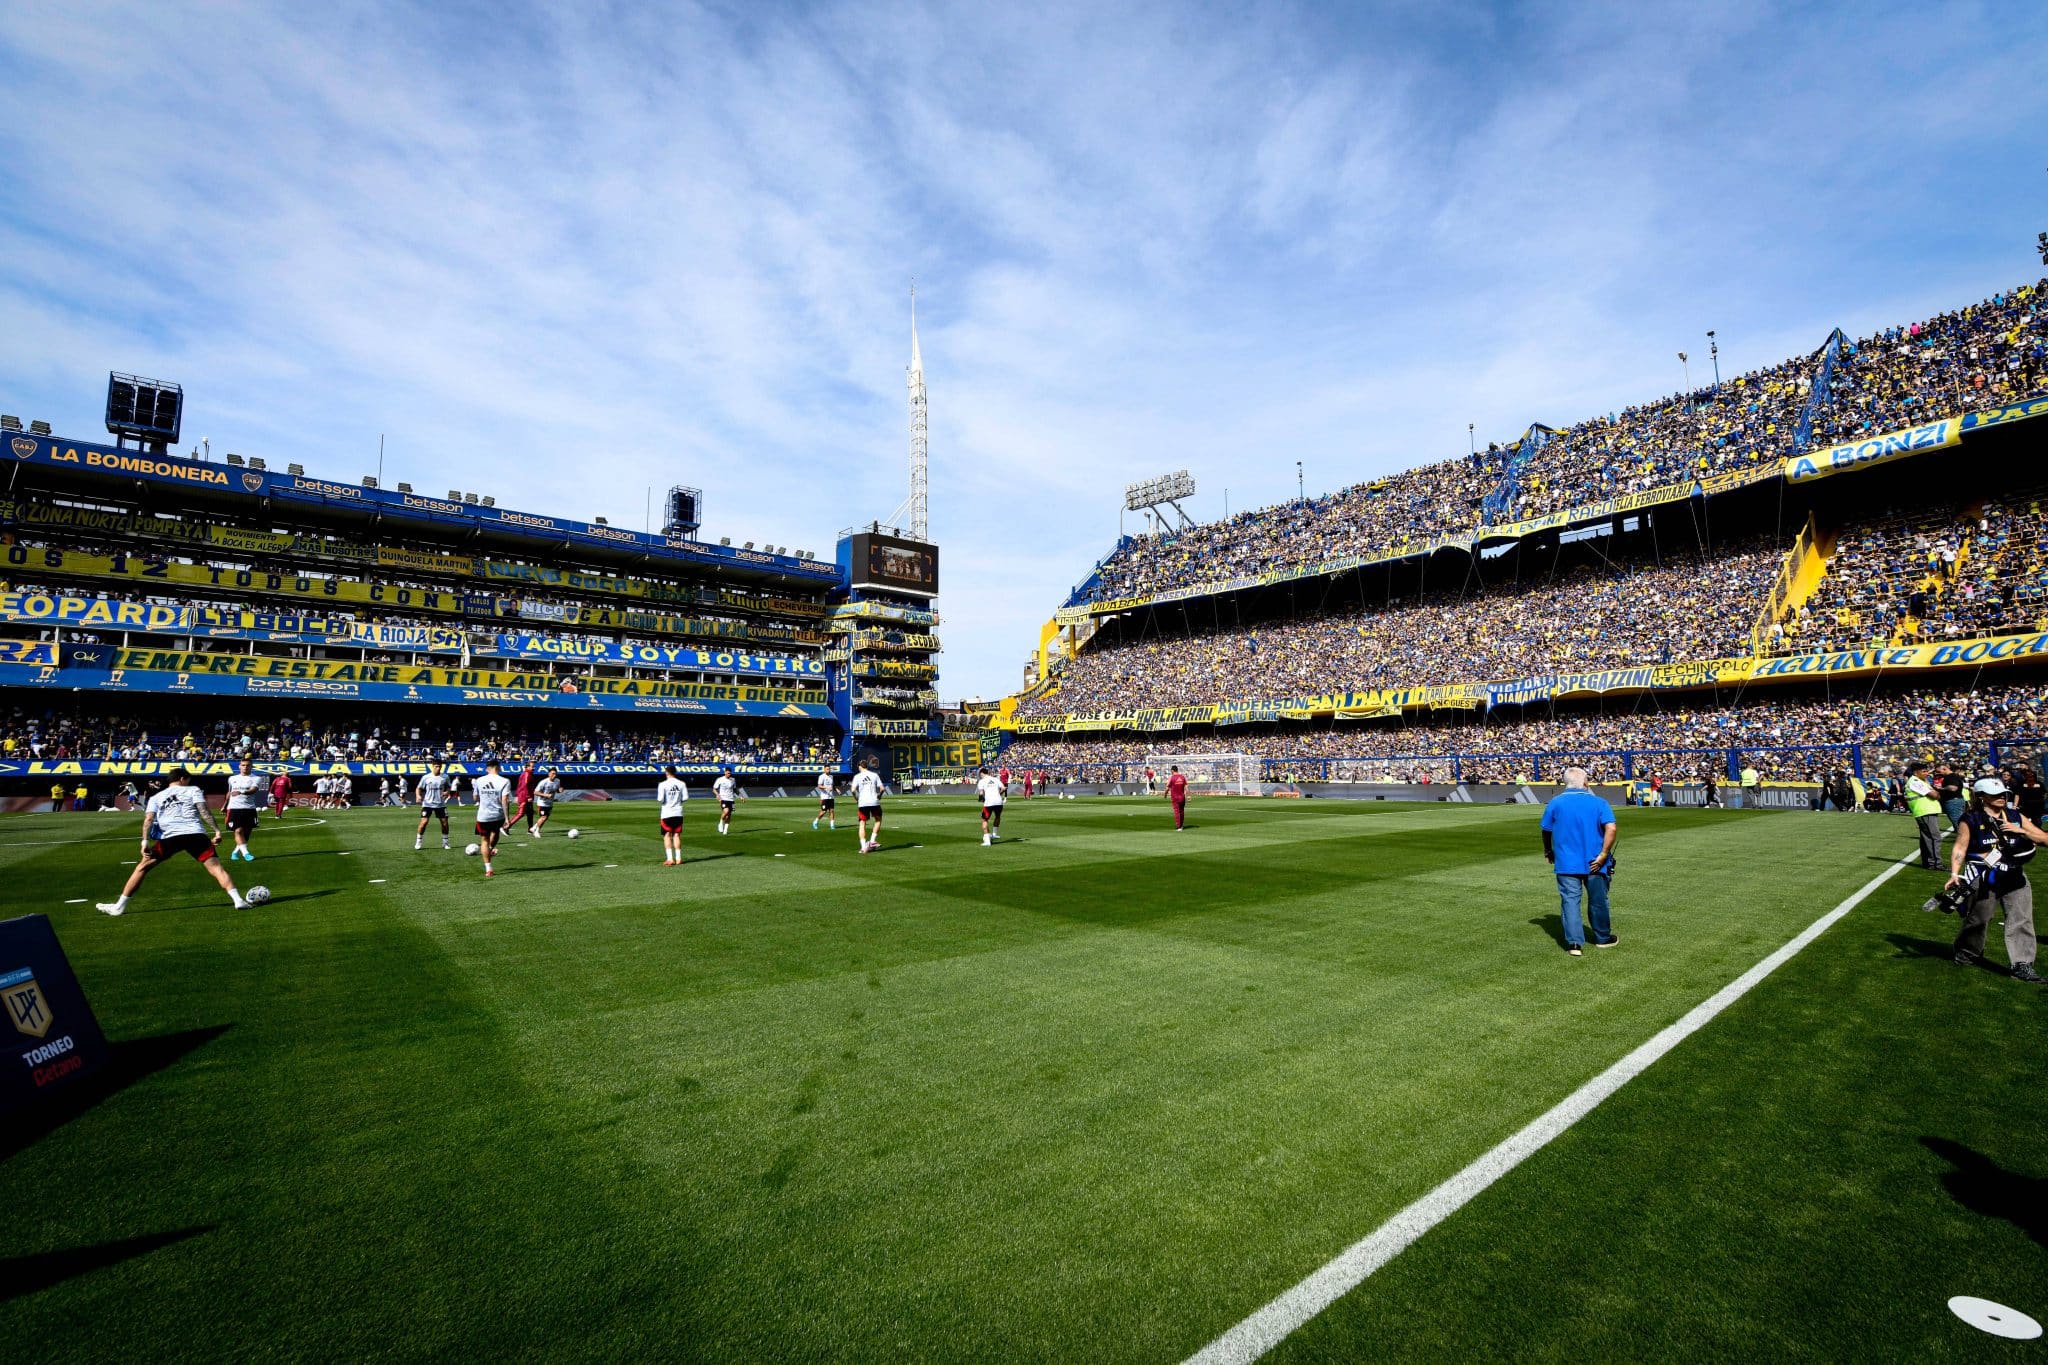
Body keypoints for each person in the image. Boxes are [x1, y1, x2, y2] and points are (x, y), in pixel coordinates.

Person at [97, 767, 246, 915]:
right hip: (195, 834)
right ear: (182, 779)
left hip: (171, 837)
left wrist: (144, 842)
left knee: (142, 867)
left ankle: (119, 907)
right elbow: (204, 811)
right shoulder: (193, 790)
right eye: (187, 780)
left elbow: (149, 819)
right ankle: (238, 900)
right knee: (216, 868)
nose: (188, 783)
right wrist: (217, 831)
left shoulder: (156, 797)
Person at [1944, 777, 2047, 983]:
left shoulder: (2015, 816)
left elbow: (2044, 838)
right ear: (1981, 797)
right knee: (1978, 919)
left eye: (2003, 794)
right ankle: (1968, 950)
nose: (2001, 798)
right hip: (1983, 877)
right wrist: (1955, 873)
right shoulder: (1971, 819)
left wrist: (2022, 831)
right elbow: (1960, 847)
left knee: (2021, 918)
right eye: (1995, 794)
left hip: (2014, 876)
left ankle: (2022, 964)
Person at [1540, 766, 1619, 957]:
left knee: (1570, 902)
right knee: (1598, 900)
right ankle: (1602, 938)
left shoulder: (1555, 803)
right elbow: (1612, 828)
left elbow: (1545, 829)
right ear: (1585, 782)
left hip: (1566, 861)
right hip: (1595, 861)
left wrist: (1548, 850)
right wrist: (1603, 855)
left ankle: (1574, 944)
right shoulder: (1599, 802)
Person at [472, 758, 513, 878]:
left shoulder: (479, 780)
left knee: (484, 840)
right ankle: (490, 849)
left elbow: (475, 797)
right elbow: (505, 800)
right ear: (498, 767)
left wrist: (485, 800)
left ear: (487, 769)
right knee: (495, 833)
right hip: (498, 814)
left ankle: (488, 869)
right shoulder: (505, 781)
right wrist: (507, 818)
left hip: (483, 815)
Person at [224, 757, 265, 862]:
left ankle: (235, 852)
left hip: (249, 808)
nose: (245, 767)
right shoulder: (232, 778)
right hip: (234, 808)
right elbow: (229, 792)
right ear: (239, 766)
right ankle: (246, 854)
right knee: (238, 831)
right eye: (243, 765)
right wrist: (225, 805)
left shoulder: (256, 778)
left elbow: (253, 790)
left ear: (251, 766)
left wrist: (241, 792)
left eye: (247, 765)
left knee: (246, 833)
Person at [1905, 761, 1943, 869]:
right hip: (1925, 811)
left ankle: (1928, 862)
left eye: (1927, 771)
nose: (1927, 773)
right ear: (1916, 773)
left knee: (1927, 838)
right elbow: (1934, 795)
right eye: (1924, 771)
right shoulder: (1916, 782)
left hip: (1924, 811)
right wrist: (1934, 791)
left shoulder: (1919, 781)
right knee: (1934, 838)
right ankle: (1936, 863)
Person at [415, 759, 453, 851]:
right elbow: (418, 788)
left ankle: (445, 843)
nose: (438, 768)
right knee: (423, 823)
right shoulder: (426, 777)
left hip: (440, 804)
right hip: (427, 803)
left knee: (444, 823)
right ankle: (419, 841)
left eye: (440, 766)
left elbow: (449, 787)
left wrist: (447, 792)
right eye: (436, 766)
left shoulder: (445, 777)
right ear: (432, 766)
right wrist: (418, 796)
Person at [657, 765, 689, 866]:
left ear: (666, 773)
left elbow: (660, 799)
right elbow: (685, 798)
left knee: (667, 835)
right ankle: (679, 858)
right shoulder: (681, 784)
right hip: (678, 812)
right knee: (676, 835)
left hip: (666, 812)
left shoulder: (663, 784)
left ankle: (670, 859)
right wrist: (677, 801)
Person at [852, 759, 885, 854]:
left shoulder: (857, 776)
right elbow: (882, 788)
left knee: (862, 824)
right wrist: (879, 795)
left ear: (859, 766)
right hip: (874, 801)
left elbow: (853, 790)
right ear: (867, 766)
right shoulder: (874, 775)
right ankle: (872, 841)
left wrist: (857, 799)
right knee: (878, 820)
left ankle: (863, 847)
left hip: (862, 802)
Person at [975, 765, 1006, 846]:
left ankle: (987, 840)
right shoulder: (995, 779)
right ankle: (995, 834)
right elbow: (1003, 788)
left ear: (982, 773)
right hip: (999, 802)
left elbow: (981, 794)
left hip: (989, 803)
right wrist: (998, 794)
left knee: (984, 820)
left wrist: (982, 799)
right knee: (998, 816)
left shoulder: (981, 781)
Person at [530, 768, 562, 836]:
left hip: (550, 802)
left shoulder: (557, 781)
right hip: (542, 802)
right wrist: (546, 795)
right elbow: (535, 792)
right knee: (543, 817)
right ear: (549, 774)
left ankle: (533, 828)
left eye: (555, 774)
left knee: (546, 817)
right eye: (553, 773)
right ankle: (536, 831)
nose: (554, 775)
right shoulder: (543, 782)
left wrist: (560, 790)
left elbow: (557, 790)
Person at [1936, 763, 1967, 834]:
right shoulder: (1952, 776)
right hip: (1956, 800)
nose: (1939, 773)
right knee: (1959, 821)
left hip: (1953, 802)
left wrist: (1941, 788)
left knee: (1958, 822)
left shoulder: (1951, 776)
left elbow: (1953, 788)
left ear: (1944, 769)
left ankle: (1964, 839)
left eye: (1939, 771)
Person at [508, 761, 537, 832]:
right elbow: (525, 786)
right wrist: (528, 796)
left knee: (530, 813)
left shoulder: (529, 774)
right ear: (527, 767)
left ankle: (530, 829)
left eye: (534, 766)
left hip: (526, 796)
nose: (533, 768)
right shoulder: (527, 774)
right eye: (532, 766)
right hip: (524, 797)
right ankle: (506, 827)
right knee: (521, 813)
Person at [713, 767, 738, 836]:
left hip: (731, 799)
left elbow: (735, 789)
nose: (729, 774)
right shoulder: (720, 779)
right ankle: (721, 823)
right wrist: (717, 795)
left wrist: (741, 796)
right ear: (725, 772)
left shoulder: (733, 780)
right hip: (723, 798)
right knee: (726, 811)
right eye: (728, 773)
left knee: (728, 816)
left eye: (730, 773)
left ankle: (725, 830)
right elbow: (714, 789)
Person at [1167, 765, 1188, 831]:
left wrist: (1165, 794)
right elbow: (1186, 787)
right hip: (1182, 797)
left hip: (1175, 797)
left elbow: (1167, 787)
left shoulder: (1171, 778)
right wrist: (1189, 795)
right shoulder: (1182, 777)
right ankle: (1181, 825)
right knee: (1182, 811)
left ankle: (1179, 827)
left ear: (1172, 770)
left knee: (1177, 812)